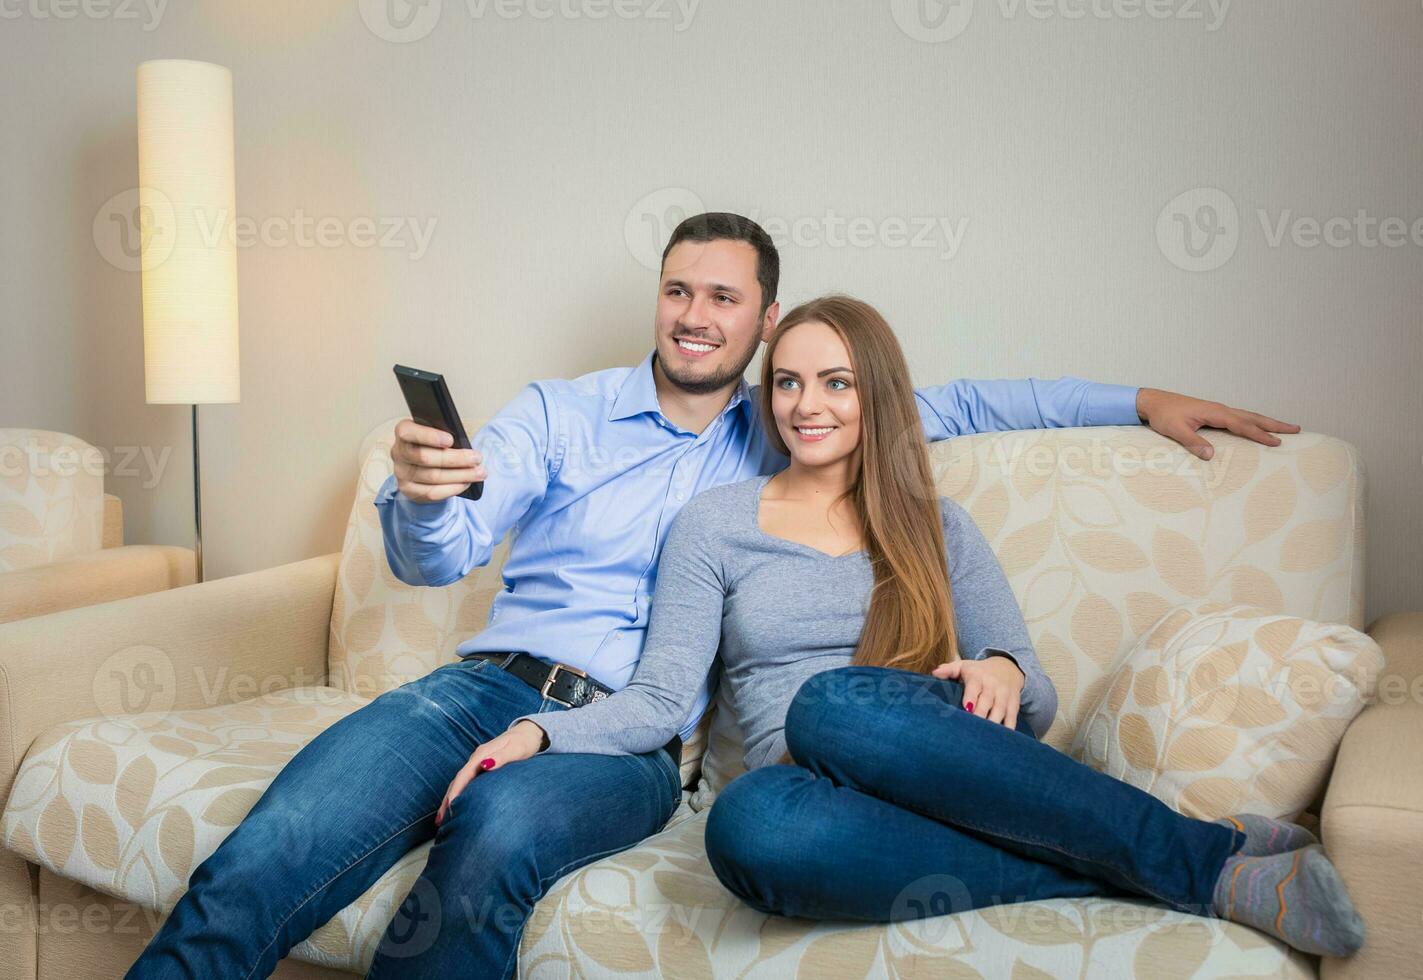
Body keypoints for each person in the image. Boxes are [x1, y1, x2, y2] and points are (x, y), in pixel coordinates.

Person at [127, 213, 1302, 979]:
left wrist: (1140, 395)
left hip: (631, 738)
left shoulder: (798, 429)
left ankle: (1174, 854)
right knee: (270, 848)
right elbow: (443, 553)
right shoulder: (560, 414)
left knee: (502, 830)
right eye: (677, 290)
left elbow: (972, 403)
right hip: (476, 691)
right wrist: (426, 495)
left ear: (763, 321)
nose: (695, 315)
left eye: (723, 299)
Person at [474, 294, 1363, 958]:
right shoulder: (715, 522)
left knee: (833, 703)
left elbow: (1034, 700)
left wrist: (1007, 671)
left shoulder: (935, 523)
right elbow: (662, 699)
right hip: (811, 806)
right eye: (785, 382)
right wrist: (539, 728)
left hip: (937, 766)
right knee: (744, 828)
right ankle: (1168, 864)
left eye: (834, 383)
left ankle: (1207, 865)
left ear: (876, 396)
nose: (805, 405)